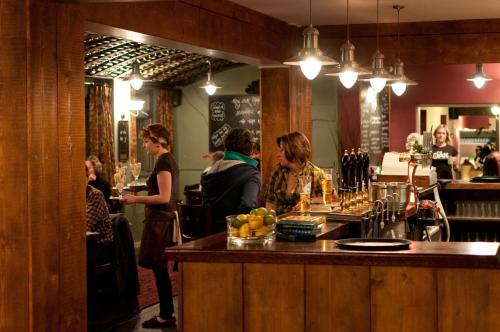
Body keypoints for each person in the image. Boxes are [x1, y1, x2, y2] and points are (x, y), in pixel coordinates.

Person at [120, 123, 178, 328]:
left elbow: (164, 196)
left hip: (160, 221)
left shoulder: (163, 162)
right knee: (158, 268)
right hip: (161, 219)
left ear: (157, 142)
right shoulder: (166, 159)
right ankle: (166, 312)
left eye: (146, 142)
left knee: (160, 268)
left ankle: (165, 314)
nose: (144, 146)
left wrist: (135, 200)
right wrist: (142, 186)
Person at [201, 128, 261, 232]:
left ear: (226, 147)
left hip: (206, 235)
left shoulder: (208, 172)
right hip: (233, 236)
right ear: (251, 150)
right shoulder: (251, 174)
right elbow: (248, 205)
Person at [265, 131, 329, 216]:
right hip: (279, 223)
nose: (277, 155)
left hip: (304, 223)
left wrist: (310, 201)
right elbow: (270, 204)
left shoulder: (315, 173)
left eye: (281, 150)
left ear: (293, 151)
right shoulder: (278, 172)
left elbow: (332, 200)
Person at [86, 163, 114, 259]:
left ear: (87, 179)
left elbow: (85, 224)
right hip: (86, 243)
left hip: (100, 244)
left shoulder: (95, 195)